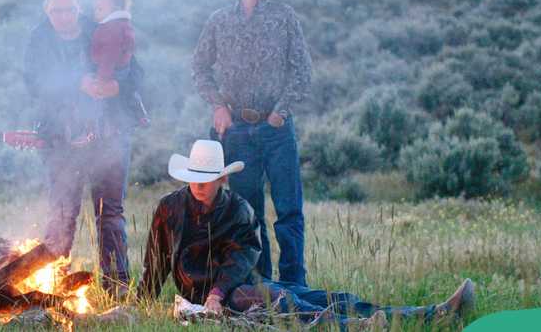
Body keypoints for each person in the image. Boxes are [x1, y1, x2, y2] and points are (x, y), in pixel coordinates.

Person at [136, 140, 476, 328]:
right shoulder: (170, 208)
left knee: (325, 297)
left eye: (207, 176)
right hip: (209, 301)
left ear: (221, 178)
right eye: (195, 175)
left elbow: (243, 257)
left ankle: (431, 314)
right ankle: (356, 327)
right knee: (289, 302)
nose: (199, 183)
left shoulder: (238, 210)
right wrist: (141, 305)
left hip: (235, 288)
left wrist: (218, 291)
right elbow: (155, 262)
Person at [192, 0, 312, 286]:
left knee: (289, 212)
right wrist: (217, 105)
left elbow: (301, 70)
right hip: (238, 131)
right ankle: (260, 287)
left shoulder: (284, 16)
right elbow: (199, 68)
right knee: (248, 214)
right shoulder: (219, 20)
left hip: (276, 129)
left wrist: (280, 112)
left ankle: (295, 286)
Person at [24, 0, 145, 295]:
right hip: (61, 139)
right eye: (56, 11)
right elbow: (35, 83)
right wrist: (78, 83)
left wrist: (117, 87)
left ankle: (116, 286)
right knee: (63, 210)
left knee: (110, 211)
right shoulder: (39, 39)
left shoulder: (100, 28)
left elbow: (136, 72)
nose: (64, 16)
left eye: (70, 9)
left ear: (79, 7)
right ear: (47, 10)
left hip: (108, 133)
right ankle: (52, 280)